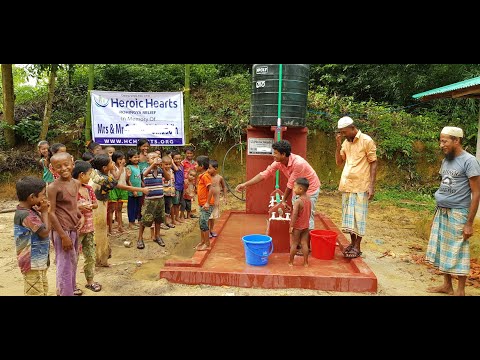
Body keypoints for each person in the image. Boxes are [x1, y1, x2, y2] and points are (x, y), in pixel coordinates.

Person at [425, 126, 480, 296]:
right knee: (443, 247)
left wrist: (469, 223)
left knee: (459, 249)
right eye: (440, 141)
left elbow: (476, 192)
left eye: (445, 141)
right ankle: (447, 285)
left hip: (459, 212)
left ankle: (460, 290)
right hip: (442, 210)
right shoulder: (446, 160)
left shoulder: (469, 161)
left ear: (456, 140)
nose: (441, 145)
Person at [235, 139, 321, 231]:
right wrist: (245, 184)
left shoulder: (298, 163)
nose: (273, 155)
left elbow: (290, 184)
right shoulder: (278, 163)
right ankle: (297, 239)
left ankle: (307, 241)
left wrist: (283, 200)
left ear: (283, 154)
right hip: (297, 187)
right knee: (296, 213)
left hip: (310, 188)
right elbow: (264, 174)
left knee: (307, 215)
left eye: (275, 153)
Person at [90, 154, 149, 265]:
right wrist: (141, 189)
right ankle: (100, 259)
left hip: (97, 203)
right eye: (111, 163)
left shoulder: (96, 172)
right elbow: (122, 186)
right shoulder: (105, 179)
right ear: (104, 168)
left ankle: (102, 256)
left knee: (99, 231)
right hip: (98, 206)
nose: (113, 164)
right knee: (100, 231)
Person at [335, 116, 377, 259]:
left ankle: (357, 247)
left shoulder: (367, 141)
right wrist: (338, 145)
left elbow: (373, 163)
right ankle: (353, 244)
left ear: (353, 128)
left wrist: (371, 185)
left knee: (359, 217)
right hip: (347, 185)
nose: (343, 134)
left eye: (344, 132)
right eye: (341, 132)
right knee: (349, 218)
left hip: (361, 185)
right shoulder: (346, 143)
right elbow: (339, 162)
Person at [48, 152, 84, 296]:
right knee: (64, 265)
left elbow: (73, 205)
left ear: (72, 164)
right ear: (52, 169)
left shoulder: (76, 183)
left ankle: (70, 288)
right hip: (61, 230)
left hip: (74, 228)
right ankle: (64, 292)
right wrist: (63, 236)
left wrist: (80, 216)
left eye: (66, 164)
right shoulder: (53, 187)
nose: (63, 168)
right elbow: (51, 213)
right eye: (58, 166)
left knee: (73, 261)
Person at [14, 176, 50, 295]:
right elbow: (44, 232)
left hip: (37, 260)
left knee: (42, 289)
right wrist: (44, 212)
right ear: (32, 197)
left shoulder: (29, 210)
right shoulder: (26, 215)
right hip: (31, 263)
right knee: (35, 292)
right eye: (42, 195)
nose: (44, 198)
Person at [72, 161, 102, 293]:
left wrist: (89, 205)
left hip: (89, 228)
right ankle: (71, 284)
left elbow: (95, 204)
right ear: (81, 174)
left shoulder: (89, 189)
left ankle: (90, 281)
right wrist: (79, 207)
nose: (90, 177)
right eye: (89, 174)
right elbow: (64, 207)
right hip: (75, 230)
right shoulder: (70, 189)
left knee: (90, 256)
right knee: (73, 258)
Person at [136, 152, 171, 249]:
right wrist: (153, 165)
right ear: (148, 161)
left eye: (157, 157)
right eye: (153, 158)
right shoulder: (146, 169)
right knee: (145, 219)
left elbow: (168, 178)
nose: (156, 159)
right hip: (149, 200)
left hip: (160, 198)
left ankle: (157, 236)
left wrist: (163, 167)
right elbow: (144, 174)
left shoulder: (160, 170)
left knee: (159, 219)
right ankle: (140, 238)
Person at [288, 177, 311, 267]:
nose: (293, 189)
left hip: (297, 226)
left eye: (294, 187)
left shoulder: (298, 201)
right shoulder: (309, 199)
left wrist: (291, 226)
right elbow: (308, 212)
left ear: (300, 189)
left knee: (294, 243)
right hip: (306, 226)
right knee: (304, 243)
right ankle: (305, 262)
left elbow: (294, 215)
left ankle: (291, 262)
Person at [193, 155, 215, 251]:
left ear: (201, 166)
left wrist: (207, 203)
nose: (194, 166)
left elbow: (211, 189)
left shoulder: (206, 176)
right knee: (201, 222)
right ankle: (202, 241)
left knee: (203, 222)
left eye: (196, 164)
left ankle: (207, 243)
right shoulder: (202, 175)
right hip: (202, 203)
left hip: (207, 204)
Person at [207, 159, 227, 238]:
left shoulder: (219, 177)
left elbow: (224, 187)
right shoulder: (207, 177)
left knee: (213, 217)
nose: (208, 170)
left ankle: (211, 230)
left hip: (216, 201)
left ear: (215, 169)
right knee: (208, 217)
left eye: (209, 168)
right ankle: (207, 231)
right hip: (209, 201)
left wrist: (225, 197)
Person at [181, 145, 198, 219]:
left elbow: (196, 173)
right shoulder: (183, 163)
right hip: (185, 183)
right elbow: (181, 172)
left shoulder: (195, 163)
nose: (189, 155)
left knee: (190, 197)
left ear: (193, 154)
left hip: (192, 183)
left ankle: (189, 213)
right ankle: (181, 214)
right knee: (183, 198)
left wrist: (196, 184)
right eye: (188, 153)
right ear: (185, 154)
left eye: (191, 153)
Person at [171, 150, 185, 224]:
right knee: (175, 204)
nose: (178, 160)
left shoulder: (181, 166)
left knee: (179, 203)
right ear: (172, 159)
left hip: (181, 187)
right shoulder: (173, 167)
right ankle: (174, 218)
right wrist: (172, 161)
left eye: (180, 158)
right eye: (176, 159)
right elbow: (176, 169)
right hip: (175, 187)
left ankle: (177, 217)